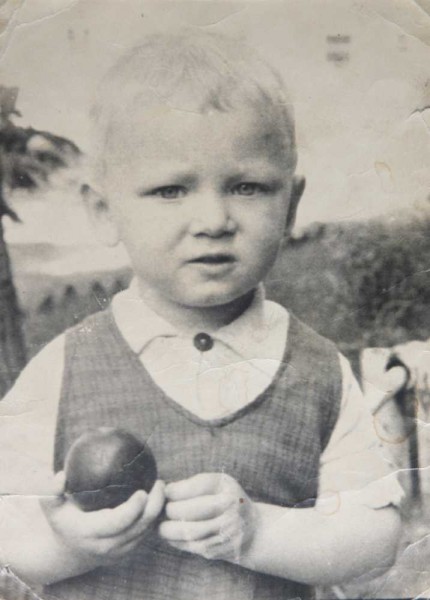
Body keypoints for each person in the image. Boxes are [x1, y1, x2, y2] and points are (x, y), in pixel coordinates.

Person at [0, 30, 403, 600]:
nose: (214, 219)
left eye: (247, 187)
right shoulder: (62, 368)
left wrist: (260, 533)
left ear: (291, 205)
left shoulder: (319, 372)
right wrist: (69, 546)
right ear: (103, 210)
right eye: (170, 190)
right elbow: (8, 531)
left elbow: (375, 538)